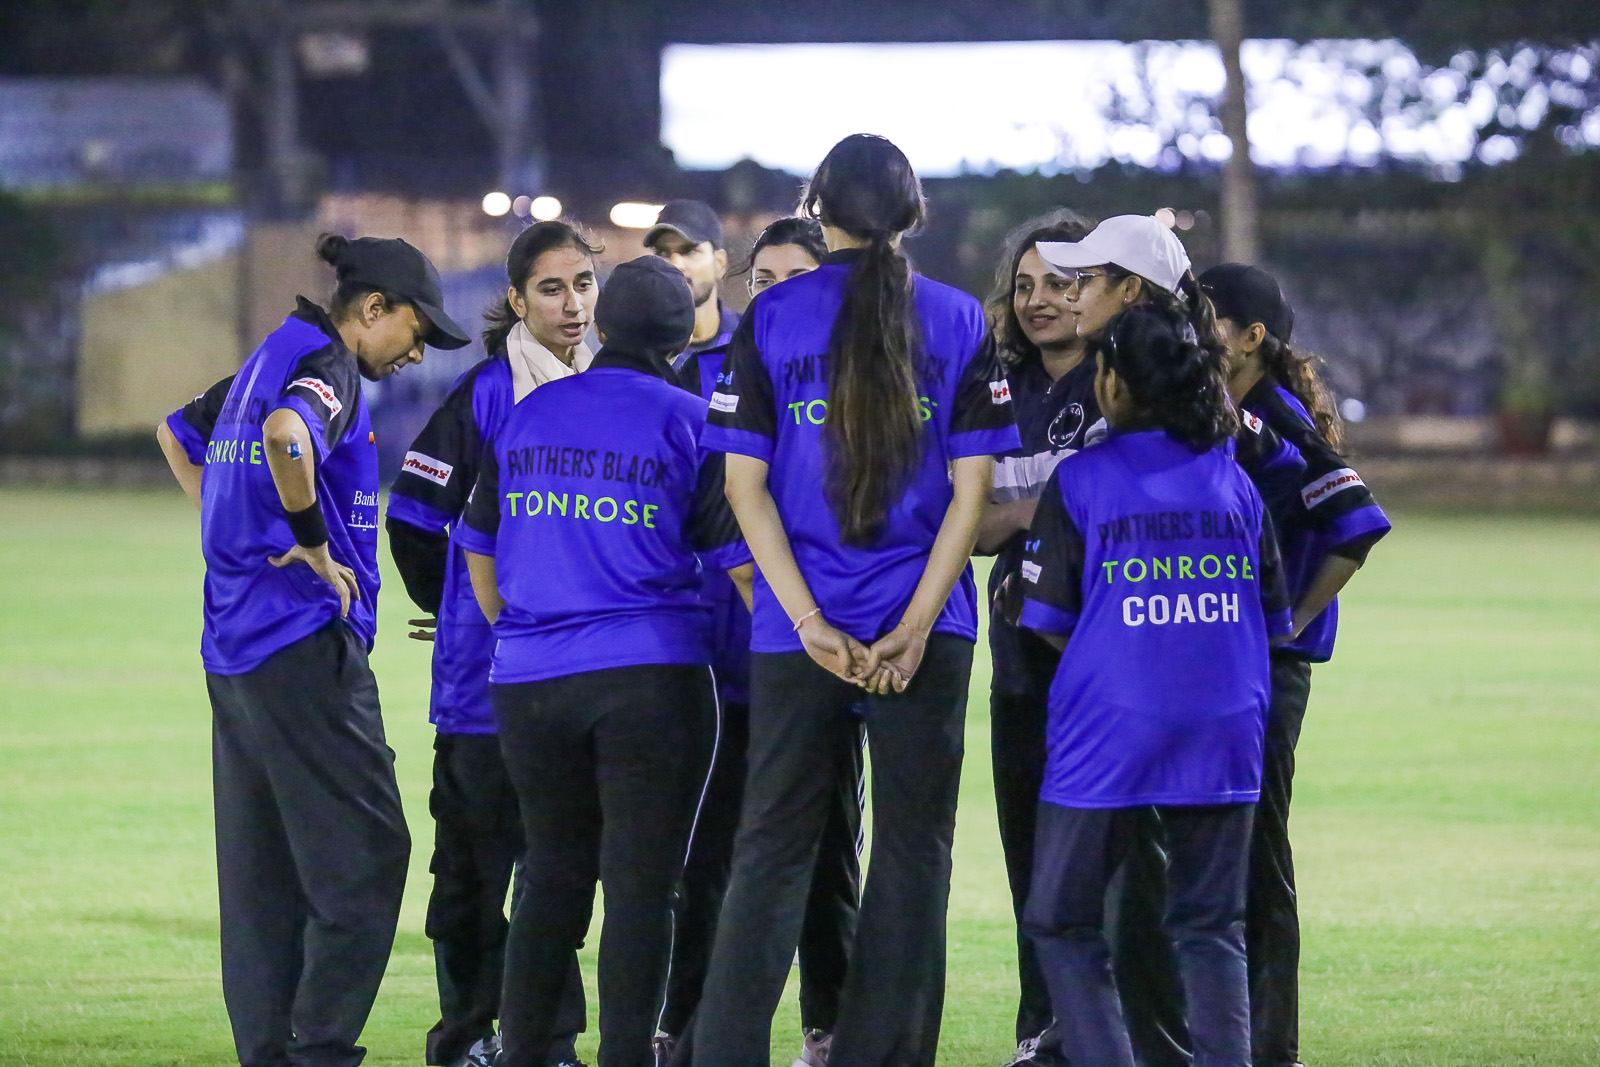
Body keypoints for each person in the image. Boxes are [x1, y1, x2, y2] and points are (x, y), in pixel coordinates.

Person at [688, 133, 1020, 1066]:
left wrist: (807, 622)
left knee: (771, 849)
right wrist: (912, 628)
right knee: (914, 853)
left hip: (797, 633)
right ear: (914, 213)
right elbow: (972, 494)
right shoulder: (959, 318)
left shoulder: (772, 315)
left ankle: (724, 1052)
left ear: (818, 210)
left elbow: (744, 488)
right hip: (928, 629)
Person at [155, 233, 471, 1067]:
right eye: (414, 330)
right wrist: (310, 542)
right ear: (374, 308)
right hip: (301, 645)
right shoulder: (325, 365)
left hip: (235, 648)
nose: (415, 353)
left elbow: (174, 434)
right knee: (371, 853)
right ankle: (318, 1049)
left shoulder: (268, 357)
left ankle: (269, 1051)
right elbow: (289, 435)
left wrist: (239, 529)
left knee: (265, 875)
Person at [457, 255, 752, 1067]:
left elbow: (477, 544)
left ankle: (524, 1053)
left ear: (606, 324)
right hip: (650, 677)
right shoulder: (691, 420)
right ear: (681, 340)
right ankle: (627, 1054)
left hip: (529, 679)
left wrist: (520, 631)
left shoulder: (531, 412)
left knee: (550, 874)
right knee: (642, 886)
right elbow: (740, 563)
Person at [1018, 304, 1294, 1067]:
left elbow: (1049, 618)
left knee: (1061, 918)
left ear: (1114, 381)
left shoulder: (1081, 478)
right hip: (1226, 719)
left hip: (1111, 722)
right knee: (1211, 925)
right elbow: (1273, 617)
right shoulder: (1234, 482)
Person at [386, 220, 603, 1067]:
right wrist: (454, 606)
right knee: (472, 873)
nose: (572, 304)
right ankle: (469, 1034)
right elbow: (413, 516)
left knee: (559, 870)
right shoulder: (486, 393)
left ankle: (547, 1039)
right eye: (551, 288)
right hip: (482, 688)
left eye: (583, 283)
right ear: (515, 299)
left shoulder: (614, 387)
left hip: (578, 682)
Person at [663, 215, 863, 1067]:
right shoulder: (701, 372)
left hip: (816, 650)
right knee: (706, 857)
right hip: (721, 662)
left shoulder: (841, 374)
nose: (777, 292)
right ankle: (684, 1028)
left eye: (796, 278)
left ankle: (829, 1027)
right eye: (765, 278)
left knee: (828, 853)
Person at [1198, 264, 1391, 1067]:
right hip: (1223, 660)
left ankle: (1271, 1046)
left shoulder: (1271, 415)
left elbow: (1358, 520)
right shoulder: (1221, 409)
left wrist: (1295, 620)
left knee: (1257, 849)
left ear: (1252, 337)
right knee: (1218, 843)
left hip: (1268, 670)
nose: (1193, 329)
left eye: (1207, 317)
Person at [973, 208, 1100, 1067]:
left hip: (1104, 658)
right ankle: (1039, 1031)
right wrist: (1031, 511)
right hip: (1020, 655)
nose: (1039, 299)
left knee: (1111, 859)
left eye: (1060, 282)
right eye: (1024, 285)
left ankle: (1107, 1031)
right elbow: (971, 523)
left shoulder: (1125, 382)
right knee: (1029, 852)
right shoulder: (996, 388)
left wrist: (1021, 510)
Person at [646, 199, 739, 366]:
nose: (675, 265)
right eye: (662, 253)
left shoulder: (750, 338)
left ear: (719, 263)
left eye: (689, 251)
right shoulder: (637, 347)